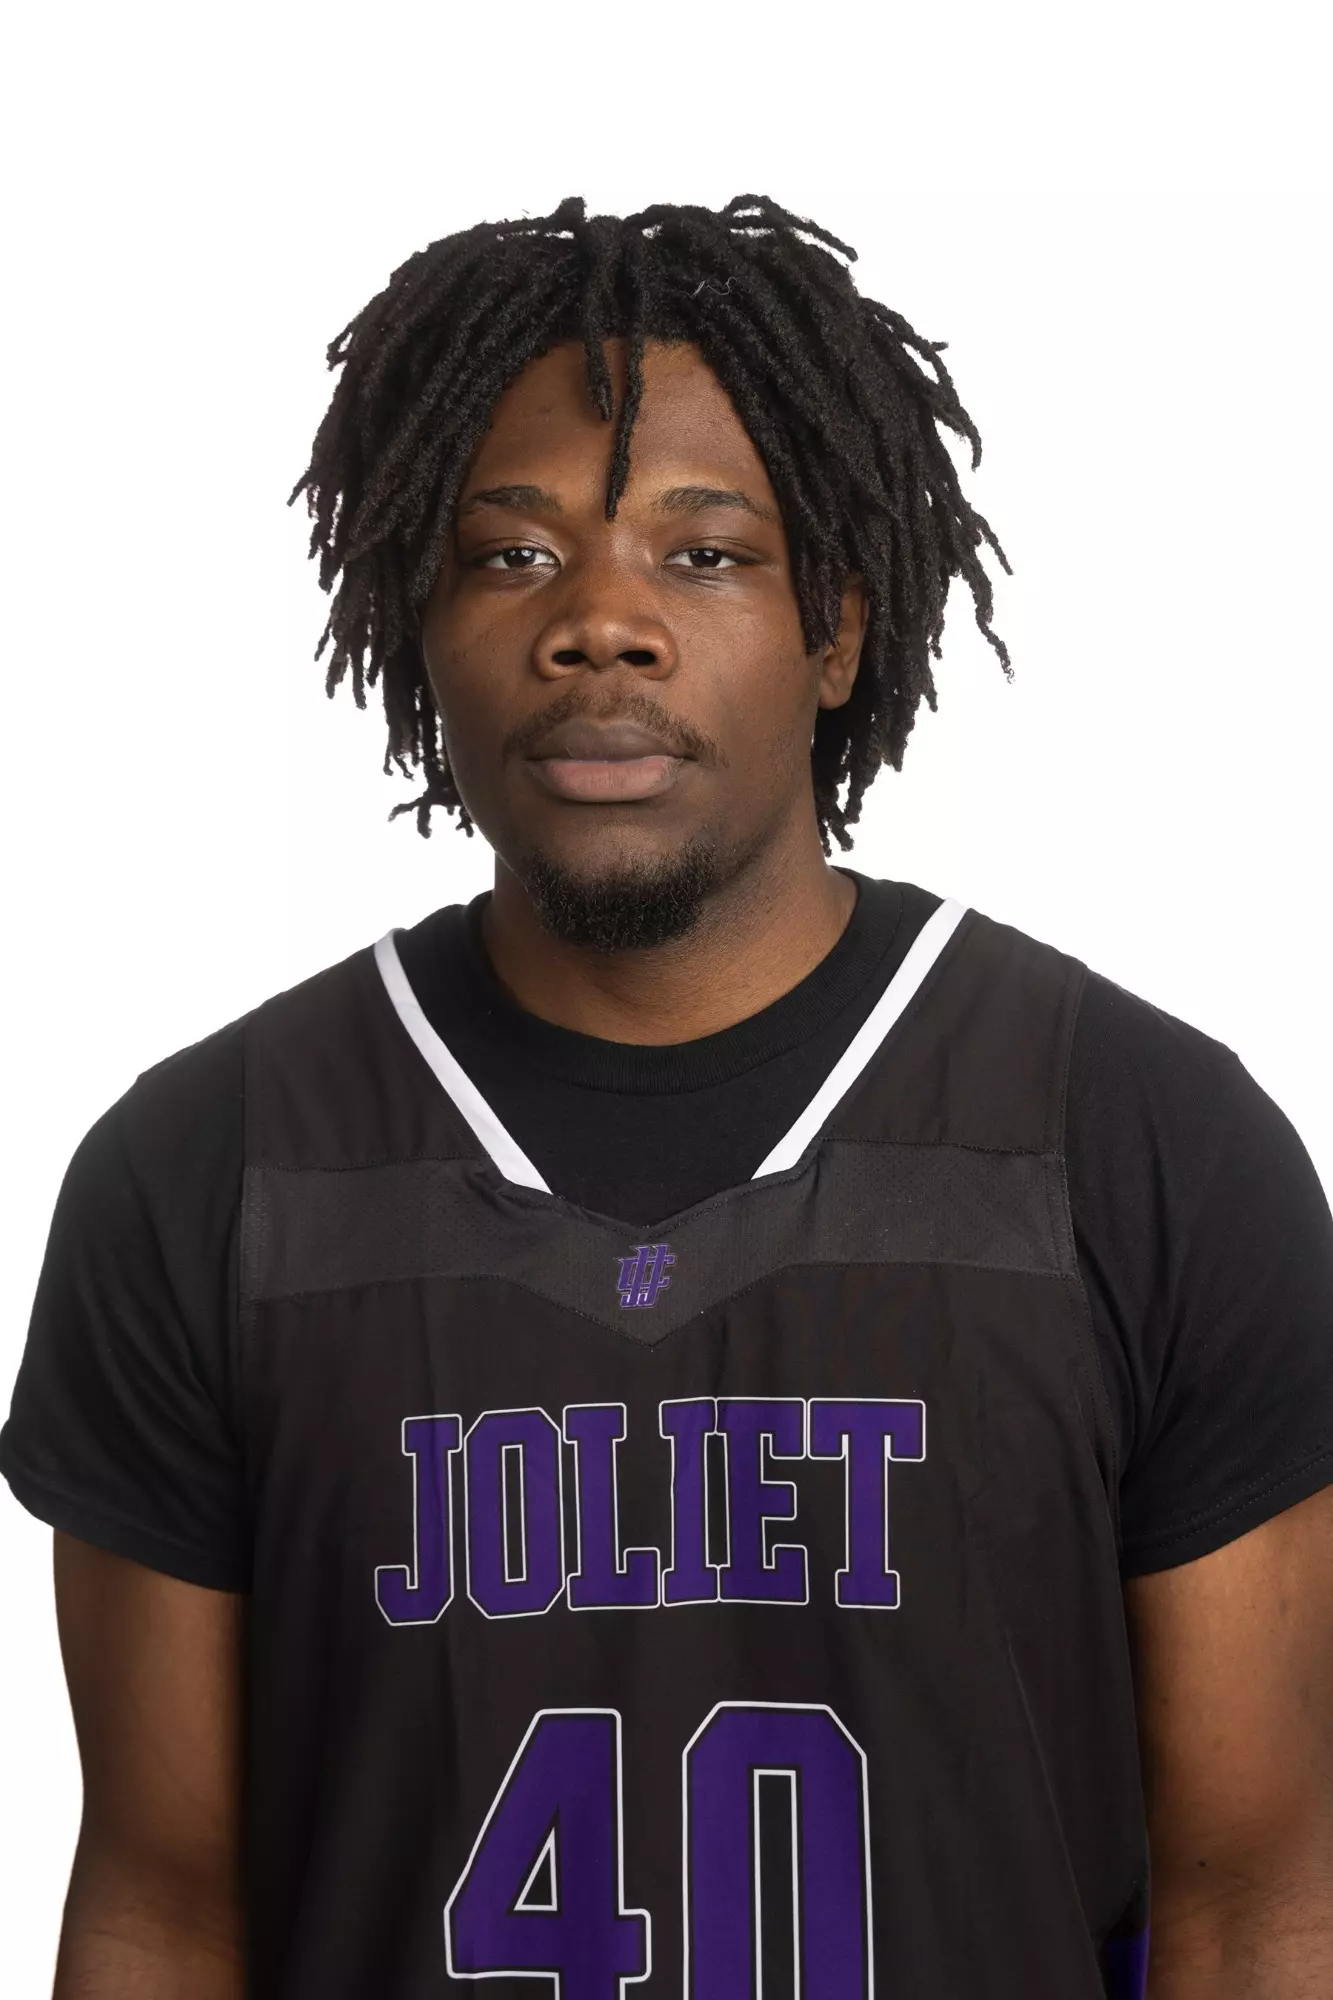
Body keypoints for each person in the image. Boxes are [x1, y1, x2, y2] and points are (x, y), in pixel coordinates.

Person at [3, 194, 1331, 2000]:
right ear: (417, 621)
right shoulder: (202, 1172)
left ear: (837, 630)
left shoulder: (1148, 1141)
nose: (602, 624)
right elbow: (163, 1909)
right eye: (511, 554)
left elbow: (1260, 1903)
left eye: (704, 556)